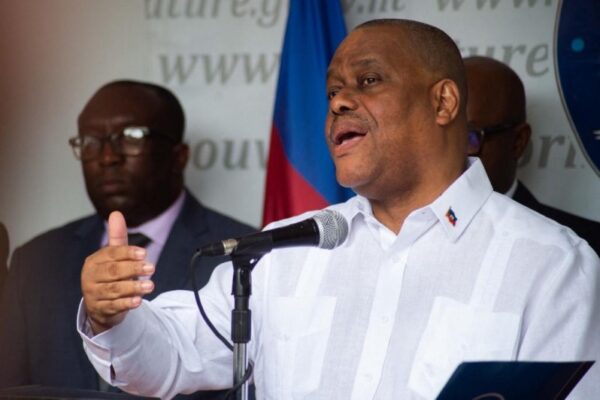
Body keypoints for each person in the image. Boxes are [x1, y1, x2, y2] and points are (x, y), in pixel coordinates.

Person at [78, 21, 600, 399]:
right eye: (332, 89)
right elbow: (169, 356)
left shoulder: (552, 263)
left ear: (442, 103)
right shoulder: (285, 249)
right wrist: (110, 315)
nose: (339, 102)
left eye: (368, 81)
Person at [0, 80, 255, 397]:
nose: (107, 157)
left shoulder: (245, 251)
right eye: (91, 141)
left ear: (179, 156)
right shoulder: (36, 260)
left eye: (132, 137)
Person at [464, 56, 600, 255]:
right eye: (438, 137)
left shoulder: (587, 249)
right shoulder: (415, 233)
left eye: (469, 137)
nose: (448, 154)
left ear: (518, 141)